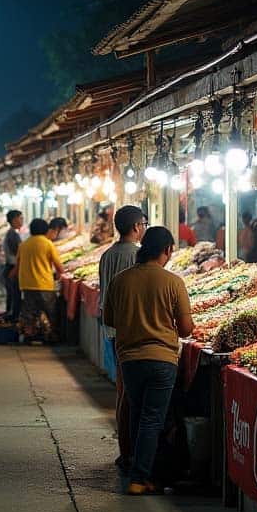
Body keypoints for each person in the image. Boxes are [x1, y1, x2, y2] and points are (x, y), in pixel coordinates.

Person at [103, 226, 193, 495]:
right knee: (153, 419)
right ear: (167, 250)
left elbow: (109, 320)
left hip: (129, 359)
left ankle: (136, 469)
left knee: (137, 414)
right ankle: (140, 478)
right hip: (162, 360)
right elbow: (187, 329)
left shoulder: (120, 281)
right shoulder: (173, 282)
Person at [98, 205, 147, 472]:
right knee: (131, 394)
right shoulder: (138, 256)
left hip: (114, 330)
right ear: (136, 226)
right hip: (133, 331)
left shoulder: (107, 255)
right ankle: (130, 451)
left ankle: (124, 449)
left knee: (122, 391)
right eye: (144, 224)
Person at [13, 218, 65, 342]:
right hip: (44, 284)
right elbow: (58, 265)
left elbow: (18, 264)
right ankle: (53, 335)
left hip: (27, 284)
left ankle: (29, 335)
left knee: (30, 312)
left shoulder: (23, 244)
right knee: (51, 312)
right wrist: (60, 275)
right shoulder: (47, 243)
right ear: (45, 229)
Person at [3, 209, 24, 320]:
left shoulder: (12, 233)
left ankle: (11, 316)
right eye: (20, 218)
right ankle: (12, 318)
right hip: (13, 268)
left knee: (13, 295)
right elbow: (18, 254)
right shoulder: (13, 235)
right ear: (14, 220)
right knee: (14, 295)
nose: (22, 221)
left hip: (12, 267)